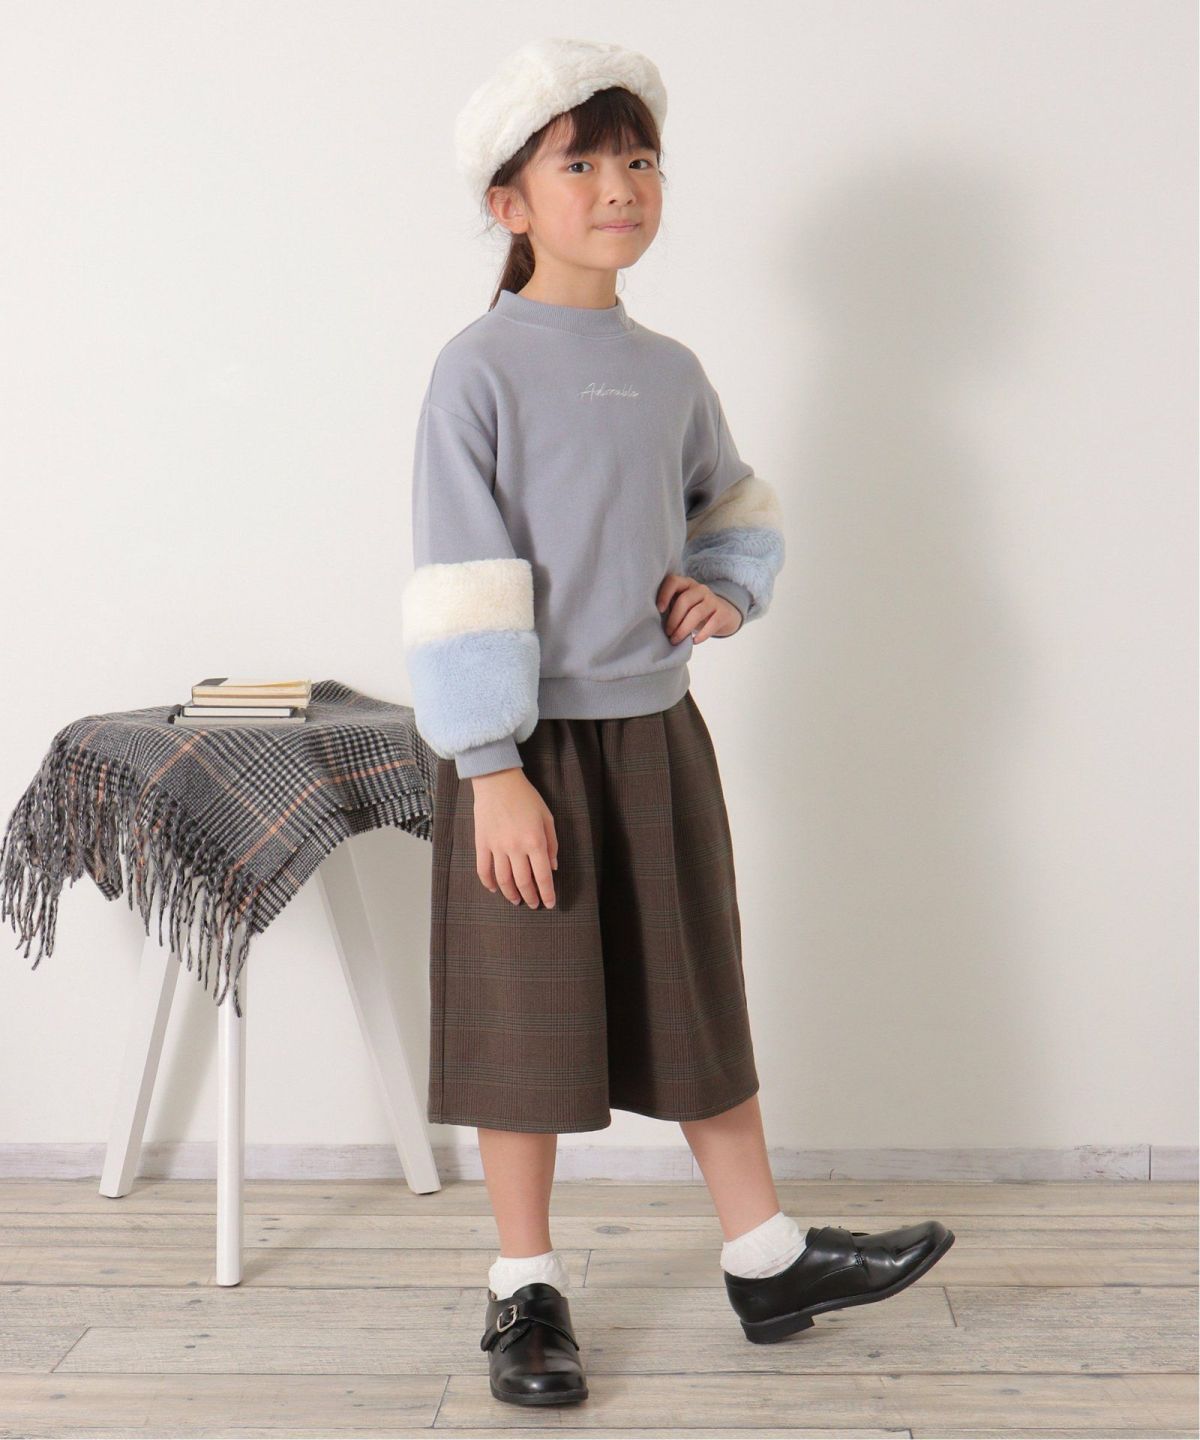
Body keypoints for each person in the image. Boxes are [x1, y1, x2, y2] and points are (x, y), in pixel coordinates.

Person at [402, 36, 955, 1408]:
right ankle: (524, 1289)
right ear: (510, 202)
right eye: (581, 163)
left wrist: (728, 584)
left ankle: (767, 1259)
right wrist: (492, 768)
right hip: (524, 749)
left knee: (697, 992)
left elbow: (738, 503)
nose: (619, 187)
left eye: (640, 159)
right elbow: (460, 572)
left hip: (656, 735)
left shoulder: (669, 371)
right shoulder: (477, 369)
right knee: (525, 1023)